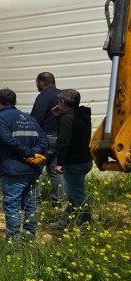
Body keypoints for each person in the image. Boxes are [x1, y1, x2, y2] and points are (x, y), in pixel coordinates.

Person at [0, 88, 50, 241]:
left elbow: (7, 140)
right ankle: (30, 237)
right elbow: (44, 140)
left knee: (12, 204)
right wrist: (33, 154)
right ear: (15, 102)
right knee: (31, 204)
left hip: (14, 169)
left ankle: (14, 240)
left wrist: (28, 154)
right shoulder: (30, 119)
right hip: (33, 169)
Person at [51, 89, 94, 231]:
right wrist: (59, 116)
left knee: (77, 194)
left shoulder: (67, 118)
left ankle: (86, 225)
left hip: (73, 162)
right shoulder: (82, 115)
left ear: (62, 102)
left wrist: (60, 163)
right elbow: (74, 133)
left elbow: (64, 141)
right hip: (85, 160)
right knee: (73, 193)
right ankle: (66, 220)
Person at [30, 72, 65, 207]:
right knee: (55, 170)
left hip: (45, 138)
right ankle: (57, 203)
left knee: (36, 168)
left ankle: (35, 202)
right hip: (60, 138)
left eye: (36, 83)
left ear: (40, 82)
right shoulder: (63, 95)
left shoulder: (43, 96)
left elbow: (36, 119)